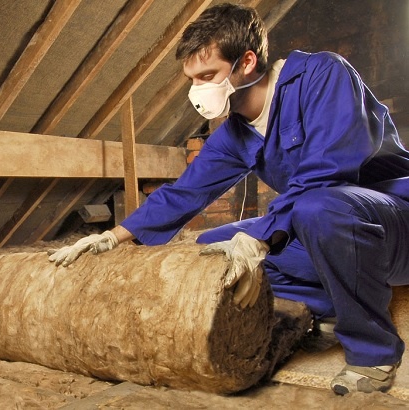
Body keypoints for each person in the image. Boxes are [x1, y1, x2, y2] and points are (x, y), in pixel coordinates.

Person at [47, 3, 409, 396]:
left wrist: (262, 238)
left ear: (247, 61)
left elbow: (328, 170)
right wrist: (112, 236)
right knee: (214, 246)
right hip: (322, 224)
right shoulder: (235, 134)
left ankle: (373, 353)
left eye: (207, 75)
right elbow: (185, 192)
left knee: (313, 208)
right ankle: (326, 307)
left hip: (390, 225)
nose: (197, 90)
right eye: (191, 79)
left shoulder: (322, 75)